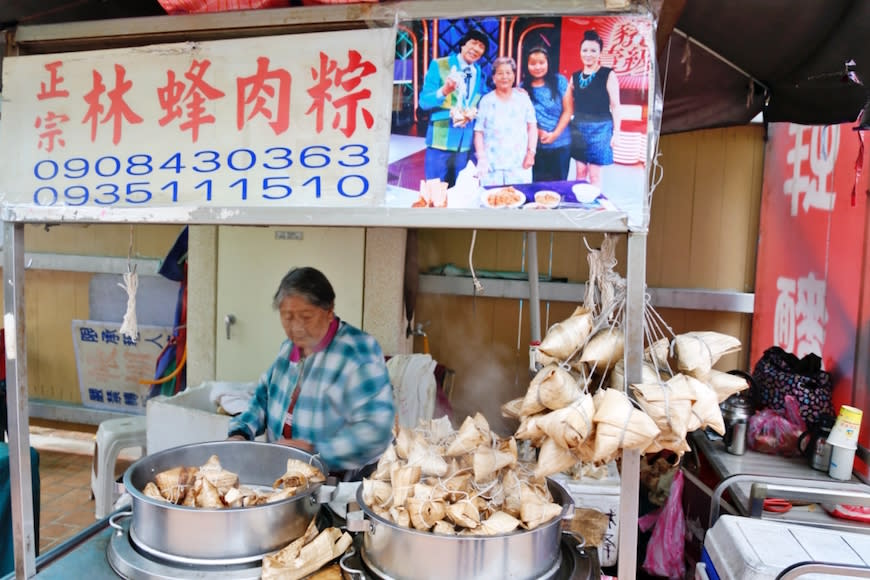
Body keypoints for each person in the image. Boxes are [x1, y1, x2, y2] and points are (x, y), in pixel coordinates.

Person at [227, 267, 395, 478]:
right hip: (288, 477)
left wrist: (315, 451)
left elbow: (375, 431)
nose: (296, 327)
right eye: (287, 317)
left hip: (336, 482)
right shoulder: (289, 348)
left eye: (306, 317)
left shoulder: (358, 352)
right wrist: (241, 433)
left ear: (329, 311)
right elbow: (263, 398)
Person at [419, 29, 490, 187]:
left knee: (460, 191)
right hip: (440, 138)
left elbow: (482, 98)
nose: (476, 48)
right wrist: (444, 91)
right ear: (463, 45)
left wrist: (514, 91)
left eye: (481, 46)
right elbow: (423, 102)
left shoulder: (478, 72)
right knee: (435, 190)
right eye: (473, 43)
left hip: (464, 144)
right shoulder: (439, 64)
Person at [473, 57, 538, 187]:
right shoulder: (486, 100)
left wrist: (531, 153)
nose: (504, 77)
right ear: (493, 77)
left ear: (514, 75)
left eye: (508, 73)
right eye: (500, 73)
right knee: (492, 200)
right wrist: (481, 158)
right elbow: (478, 132)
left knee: (518, 199)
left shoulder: (523, 98)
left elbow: (532, 127)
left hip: (519, 164)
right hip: (491, 166)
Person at [569, 29, 622, 187]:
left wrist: (617, 133)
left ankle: (595, 211)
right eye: (585, 50)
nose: (588, 54)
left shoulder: (608, 74)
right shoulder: (575, 77)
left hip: (601, 129)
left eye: (593, 50)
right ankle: (579, 208)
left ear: (600, 53)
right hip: (579, 128)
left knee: (594, 175)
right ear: (580, 52)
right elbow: (567, 102)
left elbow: (616, 105)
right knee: (579, 173)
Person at [522, 46, 573, 182]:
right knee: (538, 188)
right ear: (526, 66)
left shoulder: (560, 81)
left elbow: (568, 111)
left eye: (541, 62)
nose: (537, 67)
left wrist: (555, 134)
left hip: (561, 144)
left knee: (559, 187)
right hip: (535, 147)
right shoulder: (522, 88)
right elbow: (522, 119)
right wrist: (538, 132)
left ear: (548, 63)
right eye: (533, 63)